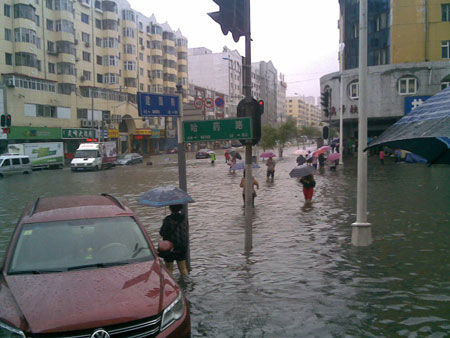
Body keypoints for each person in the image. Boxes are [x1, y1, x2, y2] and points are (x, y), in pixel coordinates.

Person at [159, 204, 189, 276]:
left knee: (169, 269)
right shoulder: (184, 218)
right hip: (182, 247)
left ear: (170, 208)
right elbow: (186, 230)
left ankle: (170, 285)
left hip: (170, 248)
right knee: (183, 268)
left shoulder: (168, 219)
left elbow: (162, 233)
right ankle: (185, 283)